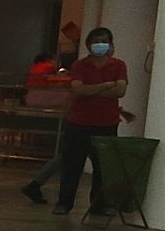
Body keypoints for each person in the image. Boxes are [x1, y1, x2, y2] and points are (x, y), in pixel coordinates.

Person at [55, 26, 130, 217]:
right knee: (72, 165)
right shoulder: (79, 66)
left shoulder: (119, 65)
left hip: (106, 123)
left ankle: (99, 204)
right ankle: (64, 203)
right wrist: (105, 86)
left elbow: (120, 91)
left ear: (111, 44)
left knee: (102, 167)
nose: (100, 45)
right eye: (96, 42)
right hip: (79, 122)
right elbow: (78, 90)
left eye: (104, 41)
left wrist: (91, 90)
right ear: (89, 45)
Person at [20, 44, 78, 203]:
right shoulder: (50, 66)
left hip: (33, 99)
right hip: (80, 120)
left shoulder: (35, 68)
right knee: (67, 155)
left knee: (66, 155)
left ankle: (37, 184)